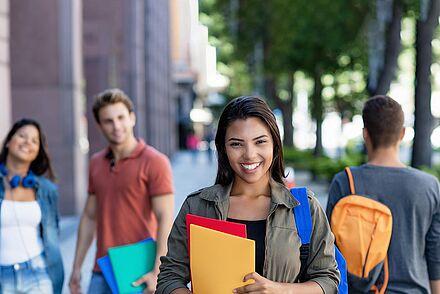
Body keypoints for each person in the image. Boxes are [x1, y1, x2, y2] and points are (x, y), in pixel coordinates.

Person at [157, 96, 340, 294]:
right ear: (223, 149)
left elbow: (328, 280)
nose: (250, 154)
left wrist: (280, 290)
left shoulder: (304, 207)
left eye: (260, 141)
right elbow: (169, 277)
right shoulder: (198, 206)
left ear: (275, 145)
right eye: (236, 144)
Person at [326, 95, 440, 293]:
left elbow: (327, 250)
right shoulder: (429, 185)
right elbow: (435, 254)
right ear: (403, 133)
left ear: (365, 134)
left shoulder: (345, 181)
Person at [69, 89, 175, 294]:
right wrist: (76, 268)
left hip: (137, 269)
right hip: (101, 269)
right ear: (99, 126)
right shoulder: (96, 163)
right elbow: (90, 217)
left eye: (121, 117)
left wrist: (158, 272)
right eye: (108, 121)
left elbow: (165, 219)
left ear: (132, 118)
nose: (116, 126)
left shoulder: (155, 162)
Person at [0, 119, 64, 293]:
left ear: (38, 151)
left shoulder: (46, 190)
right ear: (8, 142)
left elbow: (52, 233)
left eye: (34, 141)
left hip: (38, 272)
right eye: (22, 136)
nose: (28, 142)